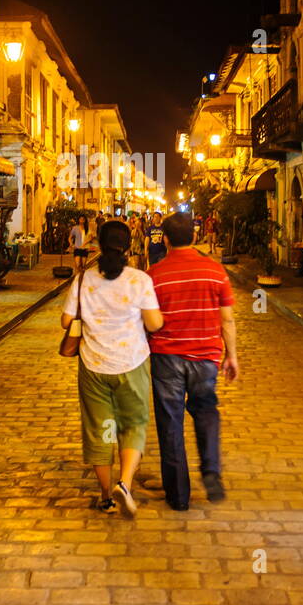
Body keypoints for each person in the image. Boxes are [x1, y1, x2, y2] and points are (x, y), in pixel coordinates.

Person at [60, 220, 163, 518]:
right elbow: (154, 323)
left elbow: (67, 322)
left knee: (101, 430)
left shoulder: (83, 280)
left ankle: (106, 497)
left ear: (99, 244)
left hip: (93, 366)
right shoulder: (139, 280)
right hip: (132, 364)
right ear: (129, 246)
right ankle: (125, 484)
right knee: (132, 424)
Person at [147, 212, 237, 511]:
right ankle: (211, 469)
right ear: (195, 236)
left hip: (167, 357)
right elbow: (227, 319)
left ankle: (178, 495)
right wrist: (232, 355)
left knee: (170, 423)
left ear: (167, 239)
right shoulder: (215, 271)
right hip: (206, 357)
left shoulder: (154, 275)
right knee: (206, 409)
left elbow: (148, 321)